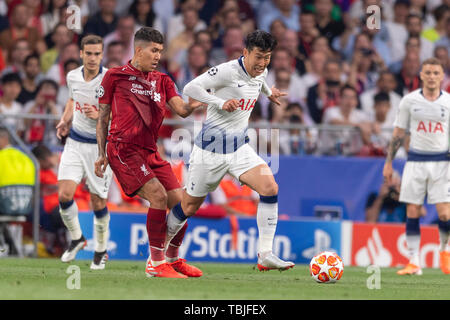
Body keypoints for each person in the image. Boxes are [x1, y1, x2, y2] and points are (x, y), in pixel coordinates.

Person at [167, 30, 295, 272]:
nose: (262, 63)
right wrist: (219, 102)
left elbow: (259, 81)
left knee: (270, 188)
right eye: (258, 57)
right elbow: (190, 89)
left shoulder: (262, 71)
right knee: (188, 207)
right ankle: (159, 253)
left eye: (267, 57)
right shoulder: (226, 71)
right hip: (209, 152)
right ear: (245, 52)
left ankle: (265, 253)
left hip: (238, 148)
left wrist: (269, 93)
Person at [95, 27, 205, 278]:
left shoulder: (163, 80)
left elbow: (181, 110)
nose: (157, 56)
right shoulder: (114, 76)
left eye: (160, 51)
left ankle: (172, 258)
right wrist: (101, 154)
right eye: (153, 51)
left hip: (150, 152)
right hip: (123, 149)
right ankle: (155, 264)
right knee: (157, 196)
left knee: (183, 203)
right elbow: (102, 118)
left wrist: (195, 104)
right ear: (139, 50)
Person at [383, 58, 450, 275]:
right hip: (416, 161)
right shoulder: (409, 101)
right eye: (428, 72)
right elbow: (398, 133)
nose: (431, 76)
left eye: (435, 73)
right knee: (412, 210)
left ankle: (445, 251)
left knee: (445, 213)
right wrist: (389, 163)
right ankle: (414, 262)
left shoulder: (448, 102)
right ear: (421, 75)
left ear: (442, 76)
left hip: (442, 162)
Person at [55, 35, 112, 270]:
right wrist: (64, 120)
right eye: (88, 53)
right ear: (81, 54)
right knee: (64, 195)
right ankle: (77, 238)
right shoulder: (72, 76)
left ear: (102, 54)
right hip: (75, 143)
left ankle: (100, 250)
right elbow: (71, 99)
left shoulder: (109, 79)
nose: (92, 58)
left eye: (97, 54)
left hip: (99, 148)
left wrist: (99, 116)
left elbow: (119, 114)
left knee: (97, 202)